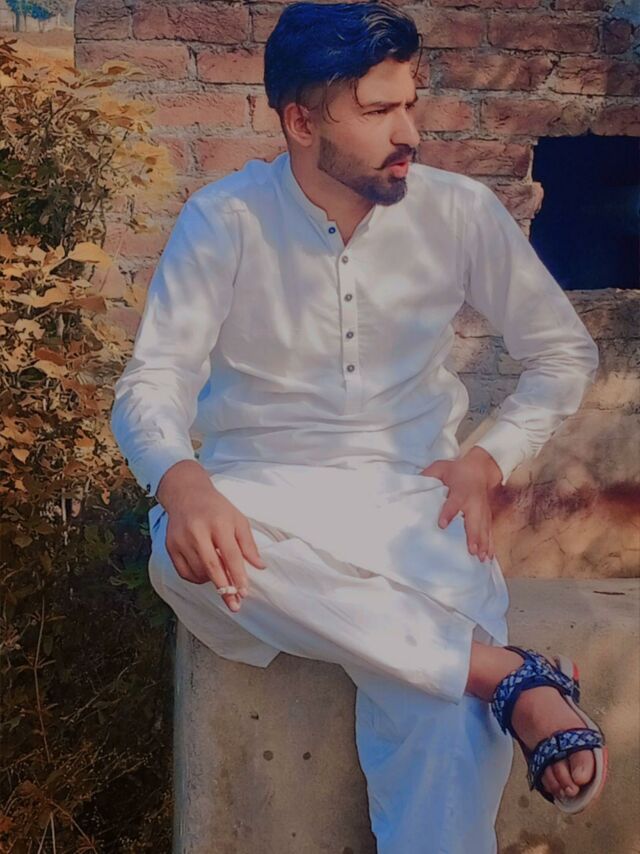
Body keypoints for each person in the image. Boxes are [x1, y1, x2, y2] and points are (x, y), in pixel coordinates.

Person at [110, 2, 608, 850]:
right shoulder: (226, 220)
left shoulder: (458, 212)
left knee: (441, 715)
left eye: (410, 103)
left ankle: (476, 678)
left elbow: (562, 352)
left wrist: (488, 460)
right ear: (301, 122)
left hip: (415, 503)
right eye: (378, 111)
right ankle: (501, 671)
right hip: (264, 508)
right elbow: (152, 380)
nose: (408, 131)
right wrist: (182, 480)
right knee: (180, 555)